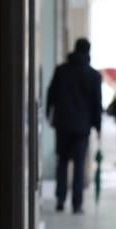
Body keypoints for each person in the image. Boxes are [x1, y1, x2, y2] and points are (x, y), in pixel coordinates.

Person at [46, 37, 103, 213]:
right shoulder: (93, 75)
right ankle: (77, 204)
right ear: (88, 52)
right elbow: (96, 103)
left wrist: (49, 114)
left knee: (62, 162)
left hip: (62, 124)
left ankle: (60, 199)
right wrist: (98, 126)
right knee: (79, 165)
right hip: (82, 128)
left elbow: (51, 93)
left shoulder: (61, 71)